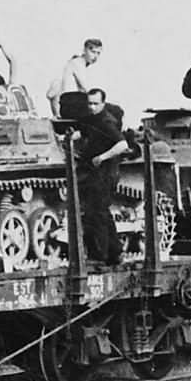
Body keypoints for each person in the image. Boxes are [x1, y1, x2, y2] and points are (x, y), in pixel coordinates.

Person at [75, 89, 129, 266]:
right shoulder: (92, 120)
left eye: (95, 104)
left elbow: (122, 144)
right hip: (94, 173)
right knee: (100, 212)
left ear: (103, 104)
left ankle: (100, 256)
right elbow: (84, 132)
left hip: (105, 173)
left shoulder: (106, 122)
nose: (91, 107)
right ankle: (115, 253)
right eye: (89, 103)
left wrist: (102, 157)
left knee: (97, 213)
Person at [47, 38, 103, 116]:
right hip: (71, 102)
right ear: (84, 50)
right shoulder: (78, 63)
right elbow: (85, 88)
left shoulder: (76, 63)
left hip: (70, 101)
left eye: (98, 53)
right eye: (93, 52)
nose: (95, 56)